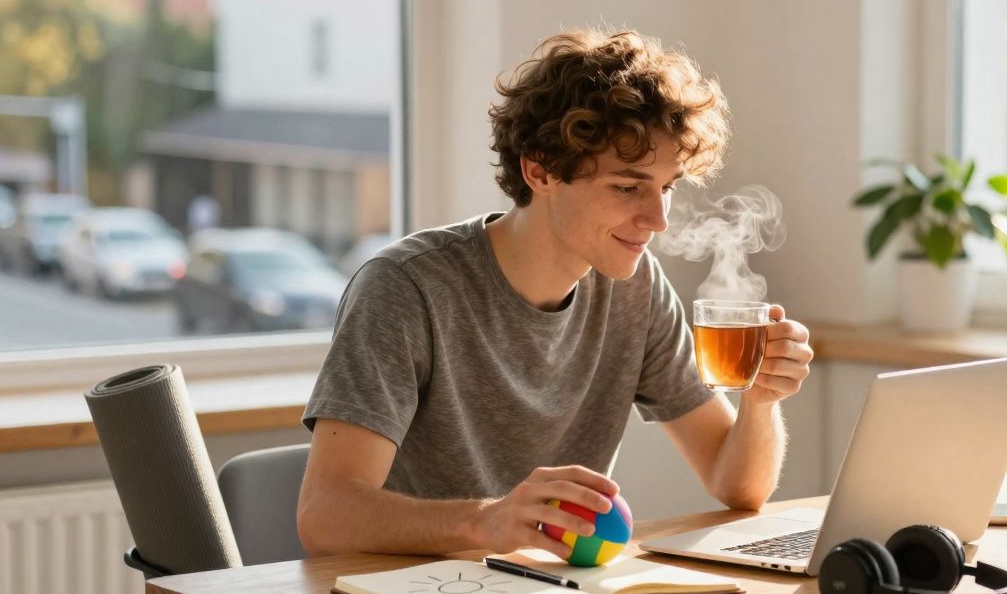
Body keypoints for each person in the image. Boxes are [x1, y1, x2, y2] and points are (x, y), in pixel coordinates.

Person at [296, 28, 814, 560]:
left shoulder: (635, 287)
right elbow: (325, 515)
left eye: (667, 187)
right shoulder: (407, 287)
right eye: (628, 186)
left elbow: (738, 486)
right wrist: (487, 521)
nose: (658, 219)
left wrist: (759, 402)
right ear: (539, 170)